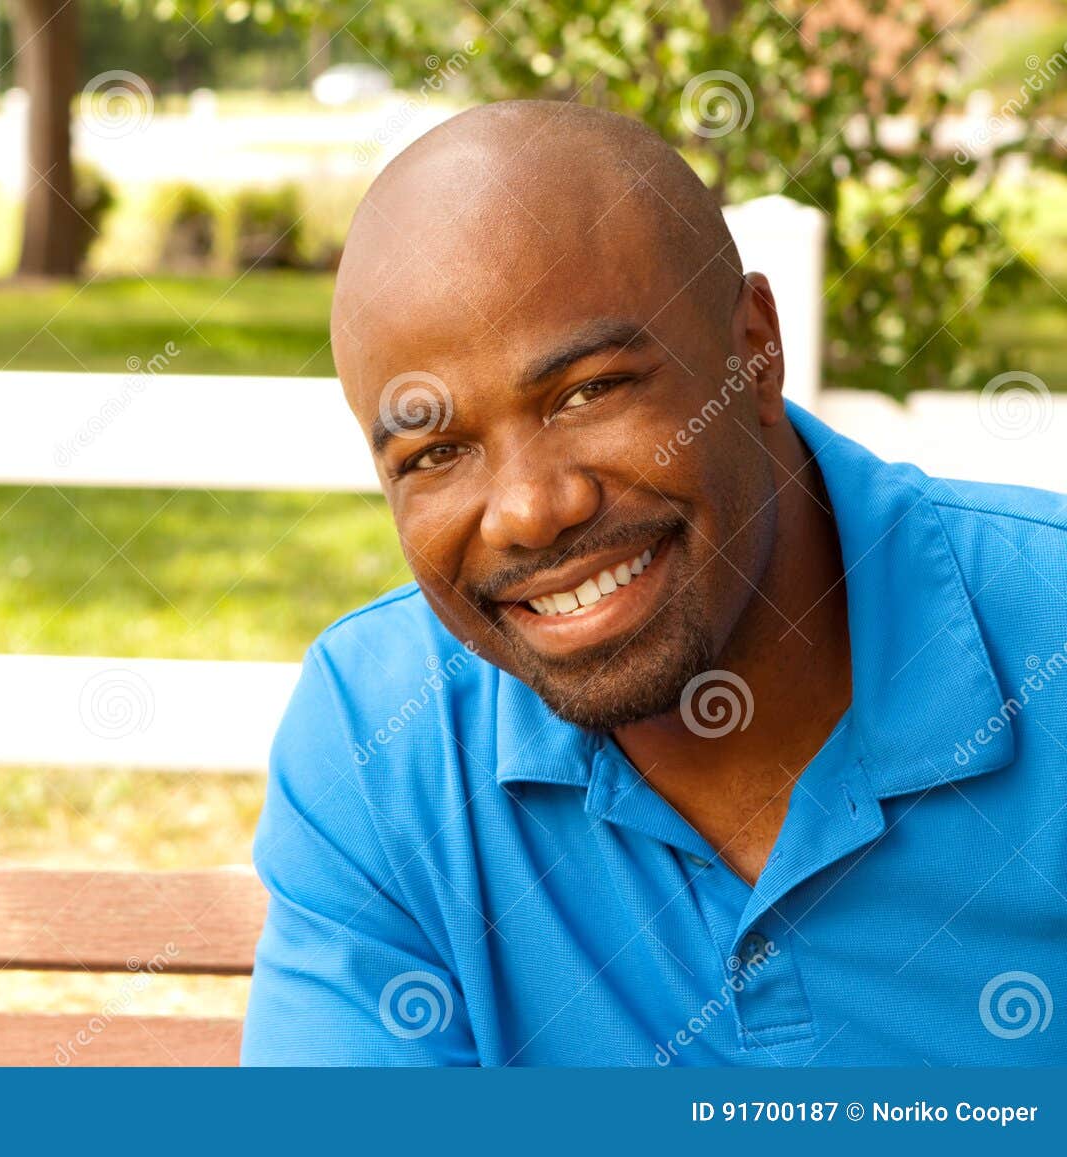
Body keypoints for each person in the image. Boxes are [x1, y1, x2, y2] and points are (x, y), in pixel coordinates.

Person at [241, 100, 1067, 1066]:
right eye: (436, 451)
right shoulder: (380, 737)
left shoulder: (1041, 623)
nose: (528, 511)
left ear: (754, 350)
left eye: (589, 391)